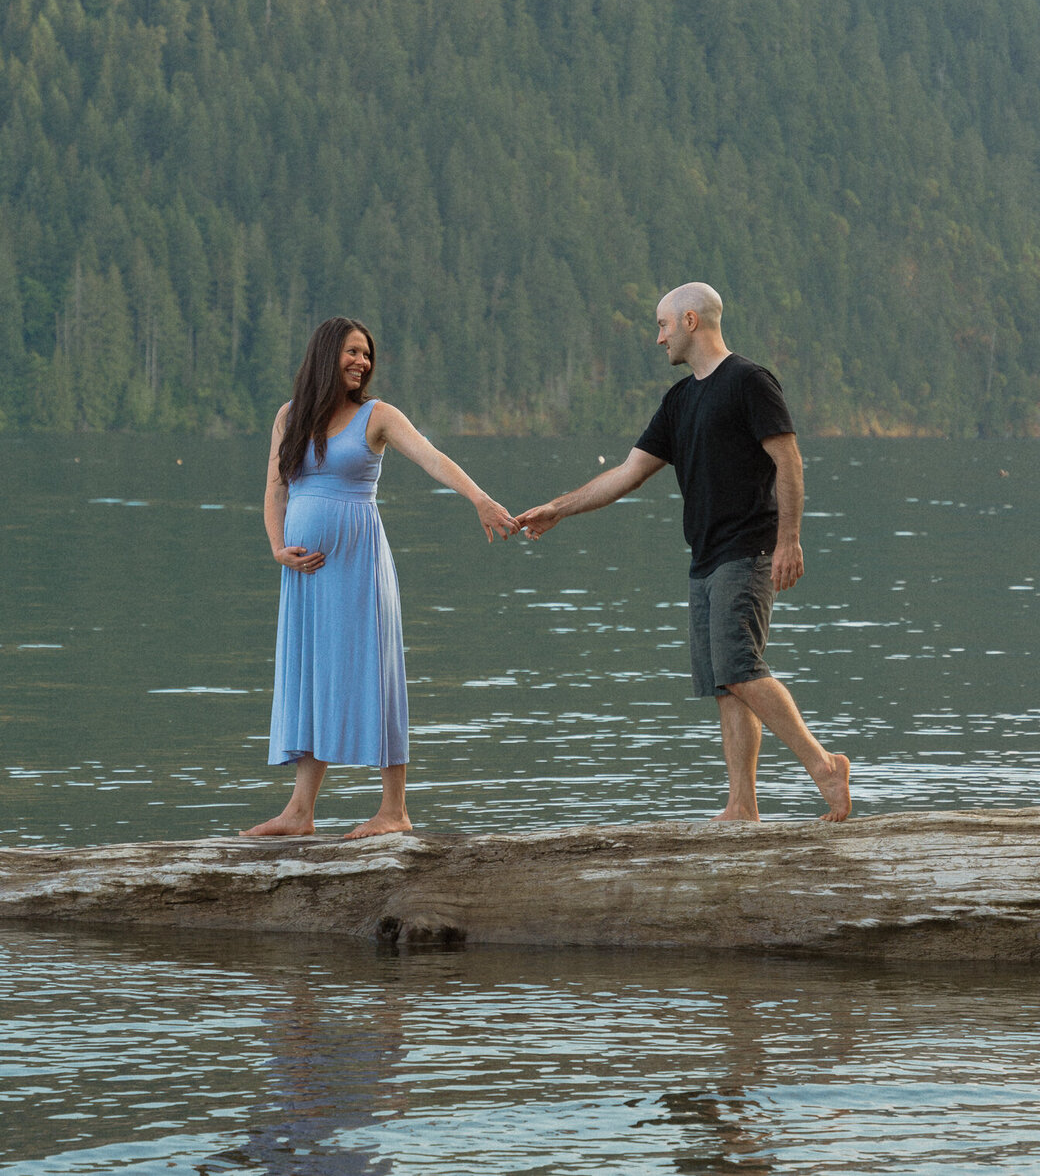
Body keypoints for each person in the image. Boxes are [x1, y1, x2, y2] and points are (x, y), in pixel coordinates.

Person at [516, 282, 851, 823]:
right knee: (725, 684)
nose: (658, 338)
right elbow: (627, 473)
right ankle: (742, 806)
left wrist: (789, 539)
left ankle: (823, 766)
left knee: (741, 668)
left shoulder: (749, 381)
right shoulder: (679, 401)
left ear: (691, 321)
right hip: (705, 556)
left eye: (663, 325)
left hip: (749, 548)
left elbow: (788, 459)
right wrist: (559, 508)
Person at [248, 316, 516, 839]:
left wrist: (479, 498)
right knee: (309, 673)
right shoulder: (290, 416)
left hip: (358, 563)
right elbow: (276, 491)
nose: (362, 362)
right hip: (303, 573)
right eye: (352, 352)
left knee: (377, 671)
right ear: (327, 356)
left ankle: (394, 810)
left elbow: (432, 457)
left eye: (366, 354)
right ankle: (300, 812)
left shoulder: (377, 416)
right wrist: (278, 549)